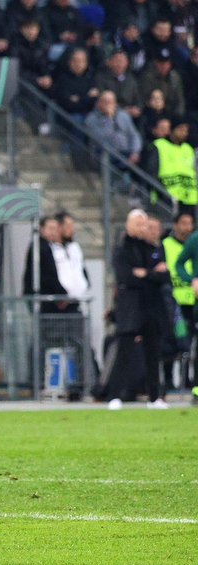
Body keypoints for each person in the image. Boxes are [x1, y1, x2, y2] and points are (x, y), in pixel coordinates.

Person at [107, 209, 171, 410]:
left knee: (153, 353)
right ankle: (114, 395)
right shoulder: (122, 249)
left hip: (150, 306)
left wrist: (146, 274)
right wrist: (150, 275)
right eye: (138, 224)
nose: (142, 228)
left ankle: (154, 397)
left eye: (144, 224)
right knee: (124, 351)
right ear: (128, 225)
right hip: (130, 307)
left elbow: (163, 276)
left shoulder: (153, 248)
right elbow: (126, 277)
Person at [162, 212, 195, 390]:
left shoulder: (194, 243)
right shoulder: (166, 244)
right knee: (170, 341)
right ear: (175, 225)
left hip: (191, 303)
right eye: (183, 223)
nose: (187, 228)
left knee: (189, 343)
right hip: (173, 304)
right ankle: (168, 380)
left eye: (190, 223)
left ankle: (188, 379)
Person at [143, 115, 197, 217]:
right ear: (172, 129)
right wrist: (161, 192)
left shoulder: (188, 149)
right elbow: (151, 171)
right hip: (165, 199)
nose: (184, 133)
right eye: (180, 129)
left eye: (186, 130)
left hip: (189, 199)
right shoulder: (159, 145)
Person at [24, 216, 70, 313]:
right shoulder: (40, 248)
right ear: (41, 228)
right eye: (50, 228)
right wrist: (61, 292)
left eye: (55, 229)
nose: (53, 232)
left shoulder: (44, 246)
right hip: (43, 297)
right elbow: (48, 274)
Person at [84, 90, 143, 165]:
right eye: (105, 101)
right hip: (104, 154)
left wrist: (135, 151)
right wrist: (109, 118)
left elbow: (134, 134)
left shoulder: (123, 115)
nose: (108, 104)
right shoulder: (91, 119)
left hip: (125, 152)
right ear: (99, 103)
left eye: (111, 101)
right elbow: (99, 139)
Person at [95, 51, 142, 120]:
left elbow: (139, 99)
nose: (119, 64)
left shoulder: (131, 80)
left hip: (130, 115)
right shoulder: (101, 78)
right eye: (117, 61)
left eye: (122, 61)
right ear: (109, 62)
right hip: (108, 113)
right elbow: (102, 98)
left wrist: (136, 108)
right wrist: (122, 110)